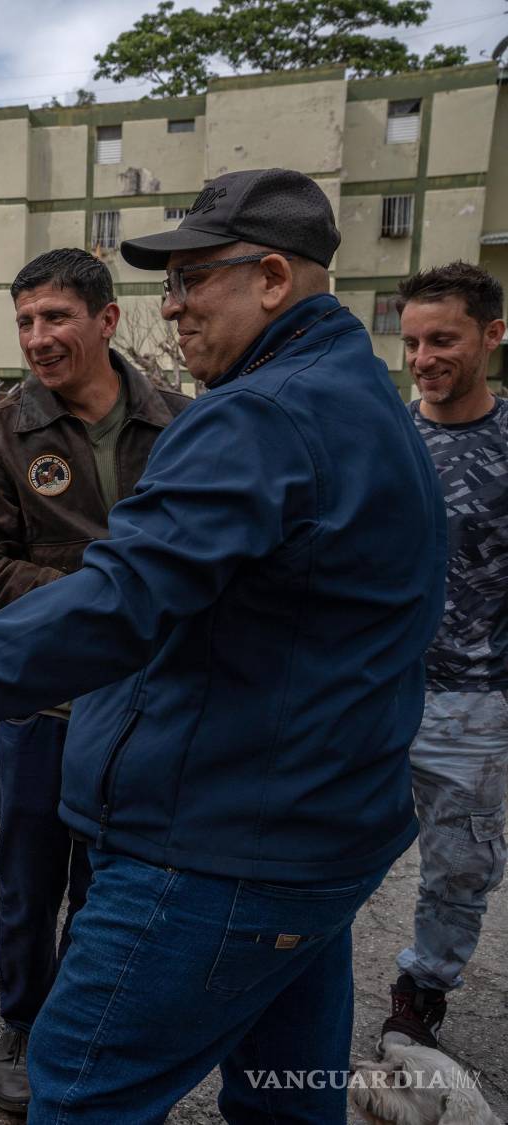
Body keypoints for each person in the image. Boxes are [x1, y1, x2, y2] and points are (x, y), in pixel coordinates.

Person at [0, 168, 446, 1123]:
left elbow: (123, 597)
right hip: (313, 835)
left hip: (224, 845)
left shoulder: (257, 414)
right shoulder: (365, 402)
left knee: (77, 1089)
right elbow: (11, 572)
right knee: (284, 1097)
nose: (176, 308)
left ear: (272, 277)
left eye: (192, 280)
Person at [0, 248, 190, 1115]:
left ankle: (84, 1029)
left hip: (151, 708)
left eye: (55, 318)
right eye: (25, 321)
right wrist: (107, 597)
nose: (38, 338)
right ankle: (24, 1022)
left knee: (115, 884)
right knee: (29, 879)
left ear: (106, 320)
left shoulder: (185, 423)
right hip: (42, 707)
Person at [379, 262, 508, 1050]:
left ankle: (421, 991)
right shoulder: (388, 435)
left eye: (443, 339)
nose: (423, 358)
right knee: (328, 837)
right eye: (413, 342)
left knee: (461, 865)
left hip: (476, 699)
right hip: (378, 688)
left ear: (492, 335)